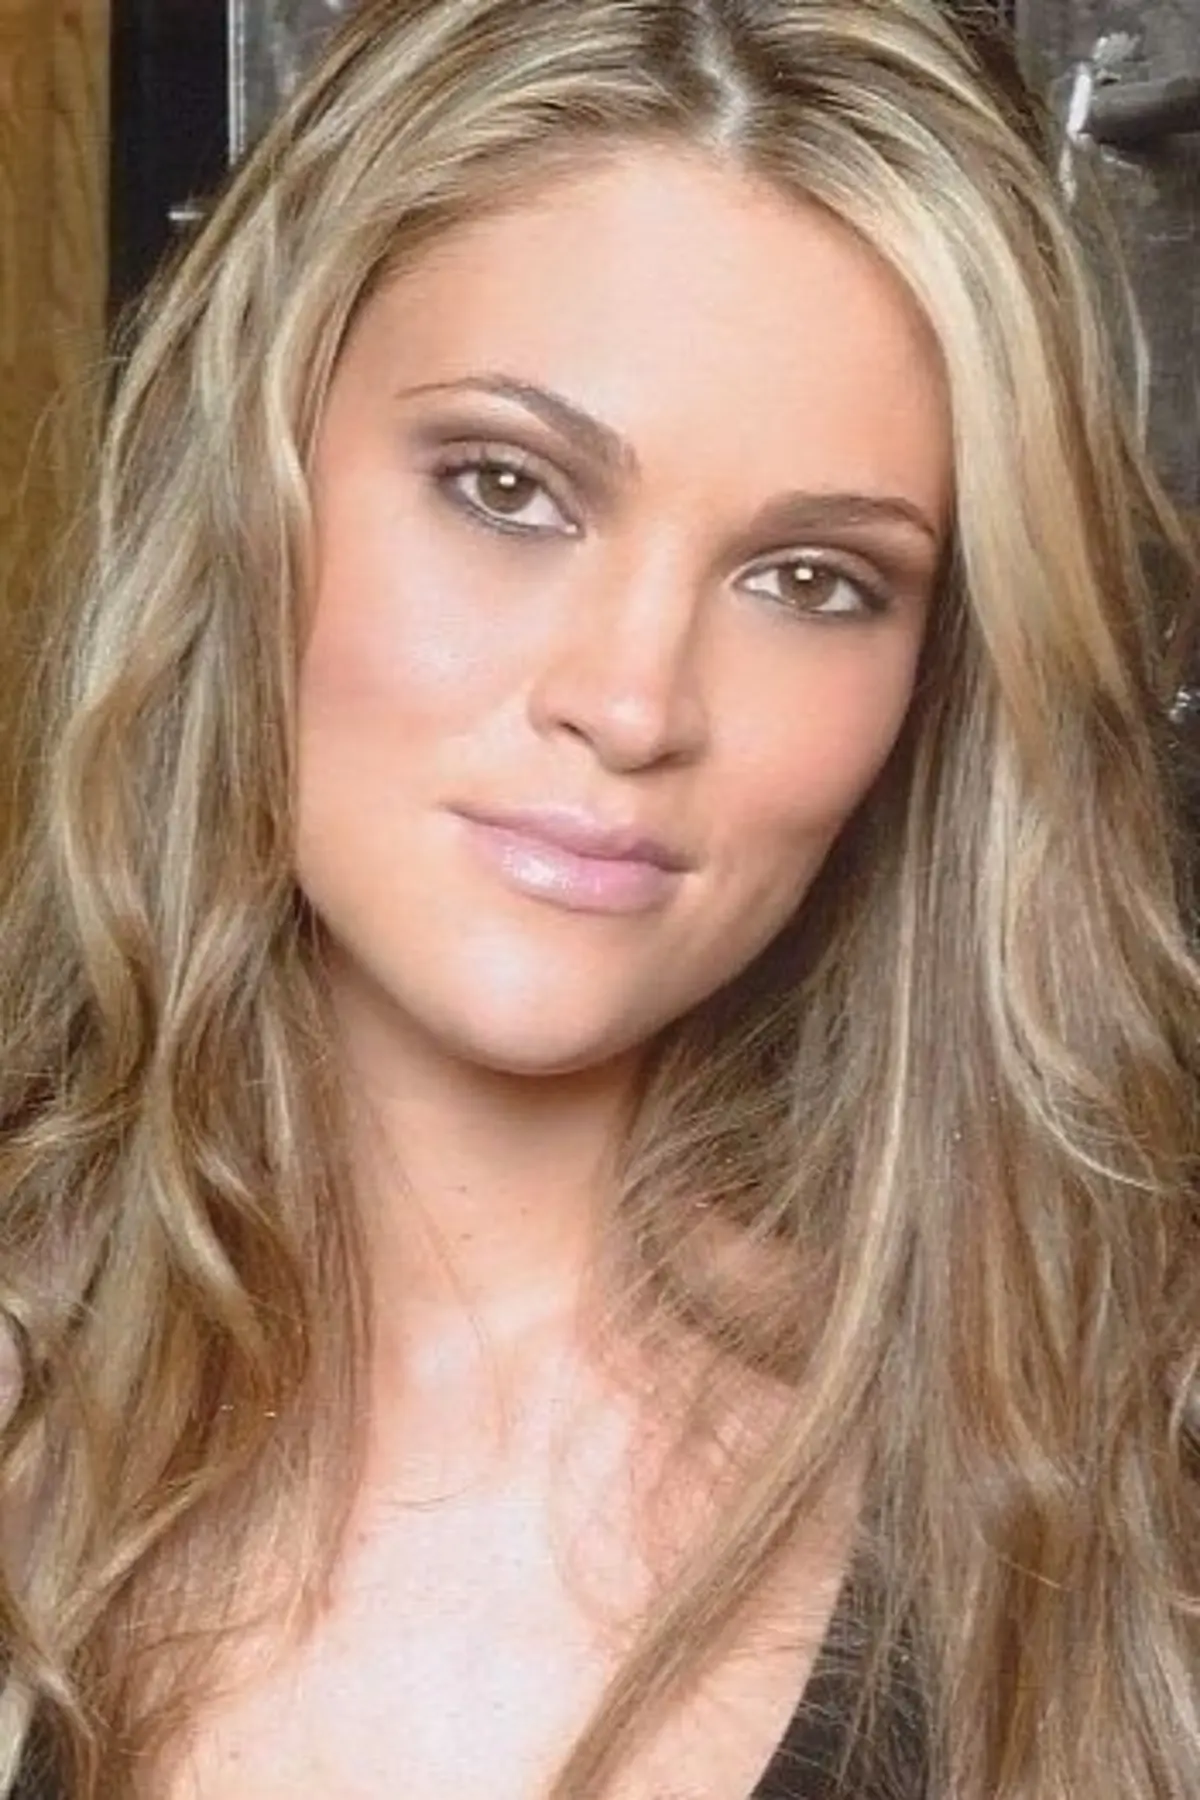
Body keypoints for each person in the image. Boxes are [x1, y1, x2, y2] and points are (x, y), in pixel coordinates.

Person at [1, 0, 1198, 1794]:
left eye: (812, 579)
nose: (634, 705)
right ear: (253, 486)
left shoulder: (1107, 1508)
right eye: (508, 488)